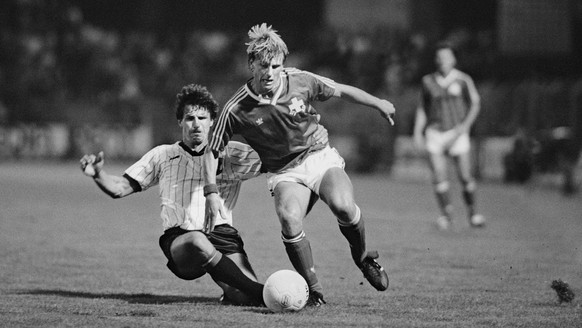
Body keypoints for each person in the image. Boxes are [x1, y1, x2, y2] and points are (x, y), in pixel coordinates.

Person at [80, 84, 329, 306]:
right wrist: (98, 174)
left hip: (223, 236)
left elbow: (282, 160)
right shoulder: (162, 155)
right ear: (180, 122)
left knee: (242, 297)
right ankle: (265, 292)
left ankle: (239, 292)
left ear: (212, 122)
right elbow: (120, 187)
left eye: (202, 117)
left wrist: (311, 137)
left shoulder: (233, 154)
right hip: (182, 241)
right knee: (199, 242)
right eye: (189, 118)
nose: (196, 123)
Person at [203, 23, 395, 306]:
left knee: (343, 206)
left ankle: (364, 258)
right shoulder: (237, 108)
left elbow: (340, 90)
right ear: (251, 65)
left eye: (275, 66)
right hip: (285, 172)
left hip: (319, 157)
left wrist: (378, 102)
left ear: (283, 65)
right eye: (263, 65)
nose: (269, 72)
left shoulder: (301, 80)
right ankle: (314, 291)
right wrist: (210, 192)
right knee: (289, 219)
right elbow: (212, 150)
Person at [413, 43, 485, 230]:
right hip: (435, 132)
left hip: (457, 131)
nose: (442, 61)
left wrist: (465, 126)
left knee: (465, 175)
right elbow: (423, 108)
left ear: (453, 60)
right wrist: (417, 131)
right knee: (438, 174)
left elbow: (475, 104)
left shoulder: (463, 80)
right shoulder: (427, 81)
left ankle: (473, 213)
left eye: (446, 57)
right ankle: (446, 215)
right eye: (439, 57)